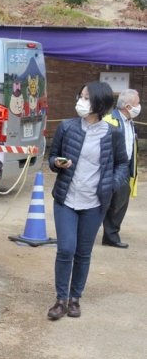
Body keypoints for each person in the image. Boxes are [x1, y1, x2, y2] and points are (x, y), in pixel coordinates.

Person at [46, 81, 129, 321]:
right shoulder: (67, 127)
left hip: (94, 203)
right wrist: (57, 163)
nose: (80, 102)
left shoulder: (112, 133)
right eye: (80, 96)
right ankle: (60, 300)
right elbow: (52, 157)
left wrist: (111, 184)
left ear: (99, 104)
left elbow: (122, 163)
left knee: (83, 253)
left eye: (86, 98)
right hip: (66, 198)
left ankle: (75, 299)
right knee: (65, 248)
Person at [101, 88, 140, 248]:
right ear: (128, 106)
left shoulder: (130, 122)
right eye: (137, 103)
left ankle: (111, 235)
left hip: (126, 168)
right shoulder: (110, 120)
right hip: (113, 168)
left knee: (121, 203)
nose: (140, 106)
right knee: (106, 203)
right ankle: (108, 234)